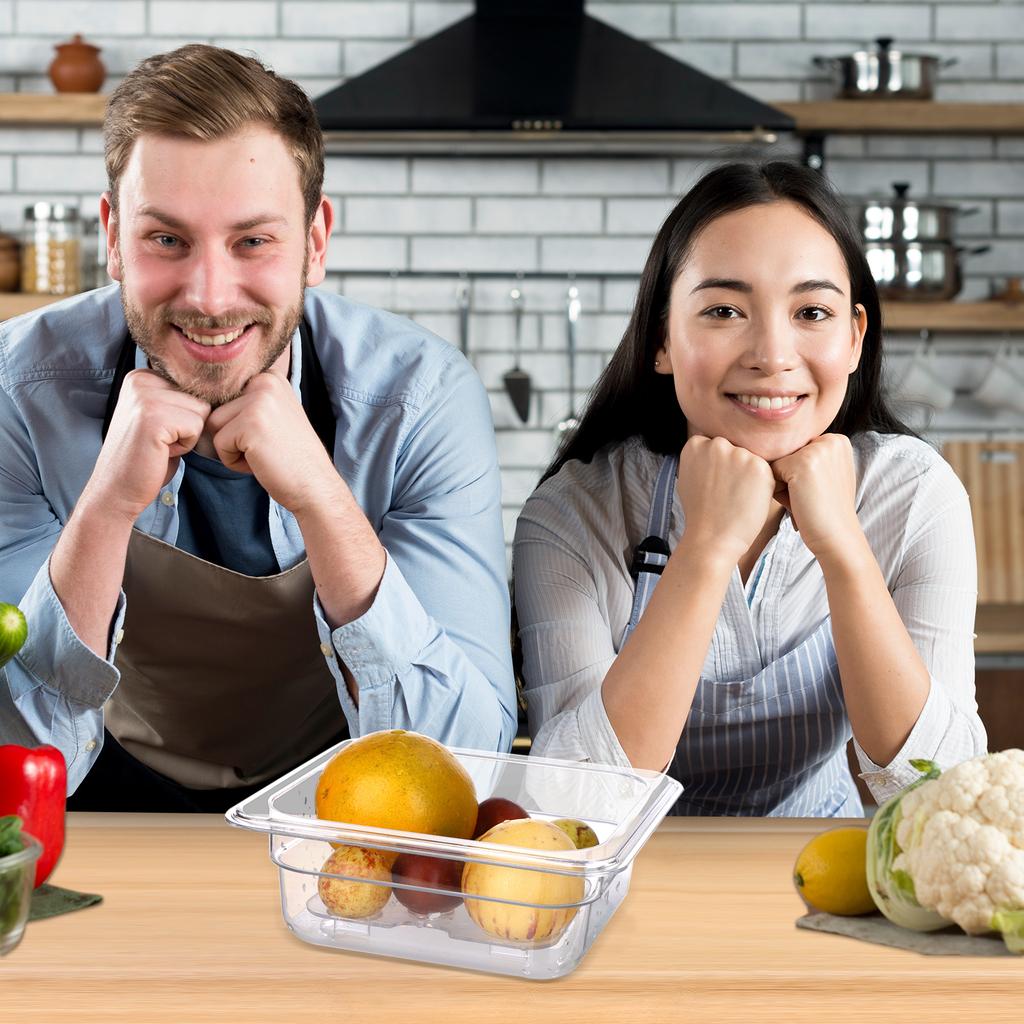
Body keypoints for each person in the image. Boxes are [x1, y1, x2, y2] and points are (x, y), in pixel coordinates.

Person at [0, 45, 516, 811]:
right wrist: (105, 508)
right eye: (166, 240)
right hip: (100, 813)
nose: (210, 297)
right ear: (112, 237)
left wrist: (323, 501)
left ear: (314, 242)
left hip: (336, 822)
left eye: (253, 241)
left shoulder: (420, 401)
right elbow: (16, 758)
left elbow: (465, 764)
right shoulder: (19, 390)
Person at [513, 161, 987, 817]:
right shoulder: (574, 513)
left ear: (853, 339)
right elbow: (573, 804)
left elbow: (939, 795)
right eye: (724, 310)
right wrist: (706, 548)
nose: (771, 352)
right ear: (662, 340)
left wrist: (843, 546)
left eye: (811, 311)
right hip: (631, 887)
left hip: (820, 882)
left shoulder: (913, 494)